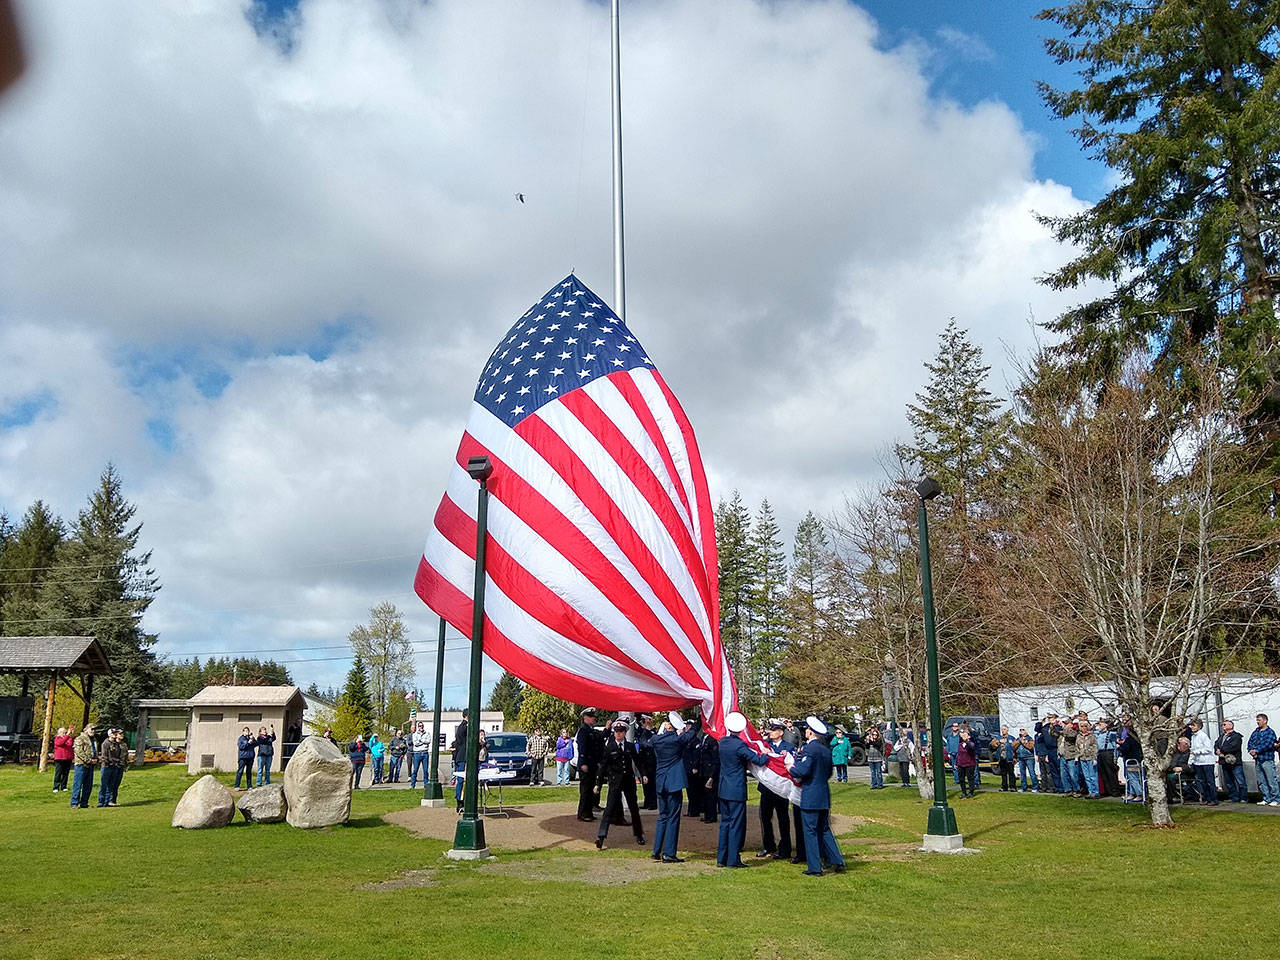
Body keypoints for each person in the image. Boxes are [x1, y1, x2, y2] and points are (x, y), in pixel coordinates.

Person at [785, 716, 846, 877]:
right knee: (825, 830)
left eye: (807, 729)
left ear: (811, 733)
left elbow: (802, 771)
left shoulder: (810, 749)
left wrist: (790, 768)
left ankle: (814, 867)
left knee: (810, 831)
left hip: (811, 795)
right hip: (823, 794)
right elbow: (828, 773)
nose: (805, 731)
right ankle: (837, 860)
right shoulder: (826, 750)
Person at [714, 712, 769, 868]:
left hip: (724, 788)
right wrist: (766, 755)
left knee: (725, 824)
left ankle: (721, 858)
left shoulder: (723, 742)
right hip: (736, 789)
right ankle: (733, 859)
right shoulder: (739, 745)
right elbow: (757, 760)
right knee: (735, 825)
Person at [650, 712, 698, 862]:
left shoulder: (656, 739)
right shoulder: (677, 740)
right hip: (674, 783)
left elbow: (646, 742)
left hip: (661, 782)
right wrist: (699, 719)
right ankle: (669, 853)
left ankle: (656, 850)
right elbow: (693, 732)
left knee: (662, 817)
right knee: (673, 817)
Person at [593, 721, 645, 849]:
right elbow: (603, 767)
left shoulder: (630, 746)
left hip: (628, 782)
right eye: (616, 731)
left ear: (625, 733)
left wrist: (643, 775)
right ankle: (601, 836)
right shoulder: (609, 747)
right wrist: (597, 784)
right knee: (609, 809)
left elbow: (637, 761)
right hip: (615, 782)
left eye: (621, 731)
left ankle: (639, 834)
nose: (618, 734)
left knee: (634, 809)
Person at [757, 720, 795, 860]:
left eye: (773, 730)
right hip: (766, 789)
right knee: (765, 818)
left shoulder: (788, 747)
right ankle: (768, 846)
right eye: (770, 730)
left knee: (783, 819)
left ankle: (785, 848)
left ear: (781, 732)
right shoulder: (766, 746)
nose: (770, 732)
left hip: (781, 790)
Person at [575, 708, 604, 821]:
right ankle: (582, 813)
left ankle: (588, 812)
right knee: (585, 790)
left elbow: (598, 741)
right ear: (585, 718)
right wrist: (583, 763)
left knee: (590, 788)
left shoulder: (591, 730)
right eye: (591, 716)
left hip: (592, 764)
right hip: (586, 763)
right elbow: (582, 748)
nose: (594, 718)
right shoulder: (583, 731)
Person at [1247, 713, 1279, 805]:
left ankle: (1275, 799)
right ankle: (1266, 798)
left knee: (1271, 780)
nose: (1257, 722)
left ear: (1265, 721)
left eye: (1259, 720)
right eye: (1257, 720)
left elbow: (1268, 744)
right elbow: (1250, 742)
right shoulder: (1256, 732)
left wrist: (1257, 750)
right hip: (1257, 760)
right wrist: (1251, 751)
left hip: (1267, 759)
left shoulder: (1270, 732)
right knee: (1261, 781)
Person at [1215, 719, 1247, 803]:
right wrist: (1217, 751)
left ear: (1231, 726)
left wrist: (1222, 751)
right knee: (1229, 781)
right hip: (1224, 762)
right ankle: (1233, 797)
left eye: (1224, 724)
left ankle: (1244, 797)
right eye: (1222, 725)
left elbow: (1233, 747)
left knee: (1240, 780)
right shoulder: (1221, 736)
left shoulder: (1236, 736)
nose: (1223, 726)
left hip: (1234, 762)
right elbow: (1216, 744)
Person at [1187, 719, 1217, 805]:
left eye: (1194, 725)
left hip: (1207, 762)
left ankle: (1214, 799)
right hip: (1198, 762)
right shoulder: (1193, 737)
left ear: (1199, 726)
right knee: (1202, 781)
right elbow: (1192, 749)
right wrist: (1190, 761)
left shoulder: (1203, 735)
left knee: (1210, 781)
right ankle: (1206, 798)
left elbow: (1208, 749)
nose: (1192, 727)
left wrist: (1197, 752)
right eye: (1191, 726)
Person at [70, 723, 97, 809]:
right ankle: (74, 803)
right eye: (91, 729)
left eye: (94, 729)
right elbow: (78, 751)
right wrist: (88, 760)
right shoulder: (80, 738)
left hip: (91, 765)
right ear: (86, 729)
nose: (93, 731)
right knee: (78, 784)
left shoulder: (94, 740)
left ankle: (84, 803)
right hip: (81, 764)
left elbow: (94, 750)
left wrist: (96, 759)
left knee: (88, 785)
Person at [1117, 717, 1144, 803]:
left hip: (1132, 759)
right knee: (1130, 777)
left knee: (1134, 777)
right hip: (1133, 758)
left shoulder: (1130, 739)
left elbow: (1125, 748)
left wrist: (1119, 747)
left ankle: (1139, 794)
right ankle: (1132, 793)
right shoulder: (1136, 739)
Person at [97, 728, 126, 807]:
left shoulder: (116, 744)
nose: (115, 734)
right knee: (104, 784)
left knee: (111, 785)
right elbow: (104, 756)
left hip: (114, 766)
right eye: (113, 733)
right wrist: (110, 762)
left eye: (115, 733)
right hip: (107, 766)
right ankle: (101, 801)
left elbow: (118, 755)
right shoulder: (105, 743)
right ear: (109, 734)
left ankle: (108, 801)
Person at [635, 715, 658, 809]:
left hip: (651, 761)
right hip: (643, 760)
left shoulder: (651, 732)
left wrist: (647, 728)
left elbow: (647, 744)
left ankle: (653, 803)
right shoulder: (642, 732)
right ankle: (647, 801)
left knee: (651, 783)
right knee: (645, 783)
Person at [1095, 719, 1122, 797]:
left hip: (1108, 752)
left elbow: (1115, 745)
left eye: (1101, 724)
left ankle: (1115, 790)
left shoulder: (1111, 734)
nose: (1099, 726)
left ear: (1106, 725)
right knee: (1103, 772)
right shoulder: (1098, 734)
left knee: (1111, 772)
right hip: (1100, 753)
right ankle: (1107, 790)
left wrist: (1115, 757)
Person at [1075, 718, 1099, 798]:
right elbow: (1077, 747)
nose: (1083, 728)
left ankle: (1095, 792)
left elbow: (1095, 747)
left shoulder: (1092, 736)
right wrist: (1077, 756)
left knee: (1093, 776)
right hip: (1082, 758)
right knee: (1087, 777)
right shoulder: (1079, 736)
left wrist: (1095, 757)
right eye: (1082, 726)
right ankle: (1090, 791)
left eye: (1085, 726)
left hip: (1090, 758)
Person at [992, 725, 1017, 792]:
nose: (1003, 731)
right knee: (1003, 773)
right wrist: (999, 742)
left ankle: (1012, 787)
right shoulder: (998, 738)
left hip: (1009, 758)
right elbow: (993, 745)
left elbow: (1015, 748)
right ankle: (1004, 787)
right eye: (1002, 729)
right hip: (1001, 758)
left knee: (1011, 773)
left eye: (1004, 729)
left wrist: (1015, 757)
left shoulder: (1011, 738)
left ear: (1007, 730)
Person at [955, 726, 978, 798]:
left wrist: (967, 741)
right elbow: (958, 754)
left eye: (966, 735)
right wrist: (956, 763)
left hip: (969, 764)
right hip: (961, 764)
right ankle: (963, 792)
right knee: (961, 779)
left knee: (970, 778)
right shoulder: (960, 744)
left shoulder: (971, 743)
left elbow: (971, 747)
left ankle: (971, 792)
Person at [1014, 727, 1039, 792]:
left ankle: (1035, 787)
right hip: (1021, 758)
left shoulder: (1029, 738)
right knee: (1022, 773)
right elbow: (1013, 746)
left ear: (1026, 731)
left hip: (1029, 758)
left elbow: (1031, 747)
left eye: (1023, 730)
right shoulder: (1018, 739)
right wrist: (1019, 741)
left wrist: (1024, 743)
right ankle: (1023, 787)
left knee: (1032, 772)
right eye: (1020, 730)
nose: (1021, 731)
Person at [52, 726, 74, 793]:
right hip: (60, 758)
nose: (64, 734)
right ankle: (56, 787)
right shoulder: (57, 738)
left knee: (65, 773)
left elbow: (70, 744)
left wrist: (71, 735)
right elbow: (61, 743)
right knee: (58, 773)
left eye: (65, 732)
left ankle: (64, 786)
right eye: (63, 732)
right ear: (60, 733)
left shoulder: (68, 738)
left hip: (67, 758)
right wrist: (67, 735)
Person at [234, 726, 256, 790]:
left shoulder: (251, 738)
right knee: (240, 771)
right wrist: (248, 743)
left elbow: (256, 744)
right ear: (243, 732)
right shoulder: (241, 739)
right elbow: (241, 747)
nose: (247, 732)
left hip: (250, 757)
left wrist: (253, 740)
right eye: (246, 731)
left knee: (249, 772)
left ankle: (249, 786)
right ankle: (237, 786)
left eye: (248, 731)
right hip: (243, 757)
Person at [411, 722, 432, 788]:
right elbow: (416, 743)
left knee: (425, 770)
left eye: (422, 726)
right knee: (415, 770)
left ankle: (426, 784)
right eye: (420, 726)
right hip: (417, 754)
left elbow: (428, 741)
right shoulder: (414, 734)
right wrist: (423, 741)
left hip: (425, 753)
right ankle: (413, 785)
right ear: (418, 727)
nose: (421, 727)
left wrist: (420, 740)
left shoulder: (427, 733)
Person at [944, 721, 962, 786]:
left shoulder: (960, 736)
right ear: (952, 727)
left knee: (959, 767)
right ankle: (956, 780)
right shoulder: (950, 735)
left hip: (958, 753)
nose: (955, 727)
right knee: (954, 767)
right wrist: (948, 752)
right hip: (951, 753)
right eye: (954, 726)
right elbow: (947, 744)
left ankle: (960, 779)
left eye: (956, 726)